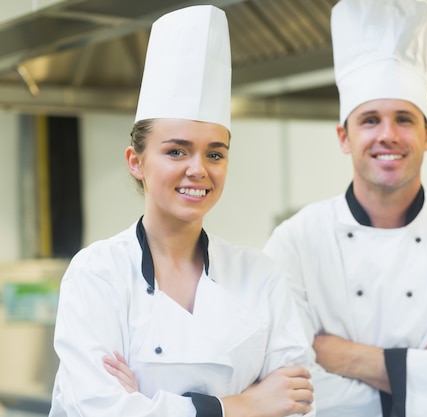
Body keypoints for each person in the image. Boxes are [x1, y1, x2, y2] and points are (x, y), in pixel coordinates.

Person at [262, 0, 427, 416]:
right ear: (343, 137)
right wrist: (426, 375)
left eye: (404, 119)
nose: (387, 135)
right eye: (369, 120)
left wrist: (346, 357)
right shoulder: (295, 243)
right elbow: (288, 391)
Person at [48, 5, 314, 417]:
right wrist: (243, 404)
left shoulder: (261, 277)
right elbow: (100, 411)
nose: (198, 169)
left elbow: (296, 405)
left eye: (215, 153)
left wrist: (147, 404)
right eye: (176, 150)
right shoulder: (97, 275)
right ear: (136, 161)